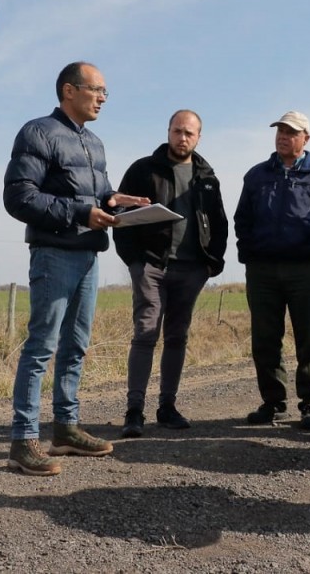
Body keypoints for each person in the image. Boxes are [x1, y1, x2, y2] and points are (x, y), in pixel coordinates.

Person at [4, 62, 149, 475]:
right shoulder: (38, 132)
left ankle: (65, 429)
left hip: (88, 254)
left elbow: (94, 194)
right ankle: (23, 440)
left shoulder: (94, 143)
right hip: (54, 253)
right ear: (69, 90)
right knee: (41, 347)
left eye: (105, 92)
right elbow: (18, 197)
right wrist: (80, 213)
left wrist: (114, 200)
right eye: (96, 89)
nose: (103, 98)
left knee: (76, 346)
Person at [113, 110, 229, 438]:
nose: (182, 138)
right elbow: (119, 214)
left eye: (189, 133)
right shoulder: (142, 169)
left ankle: (167, 407)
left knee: (177, 336)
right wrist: (134, 261)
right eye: (177, 131)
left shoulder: (207, 177)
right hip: (151, 266)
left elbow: (219, 223)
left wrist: (211, 264)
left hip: (191, 270)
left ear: (199, 137)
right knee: (145, 333)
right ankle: (134, 411)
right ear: (168, 132)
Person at [234, 111, 310, 431]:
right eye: (280, 131)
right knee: (265, 340)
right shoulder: (257, 175)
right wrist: (249, 256)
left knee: (308, 340)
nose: (283, 136)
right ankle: (273, 403)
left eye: (291, 132)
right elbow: (242, 219)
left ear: (305, 138)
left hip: (305, 270)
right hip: (263, 271)